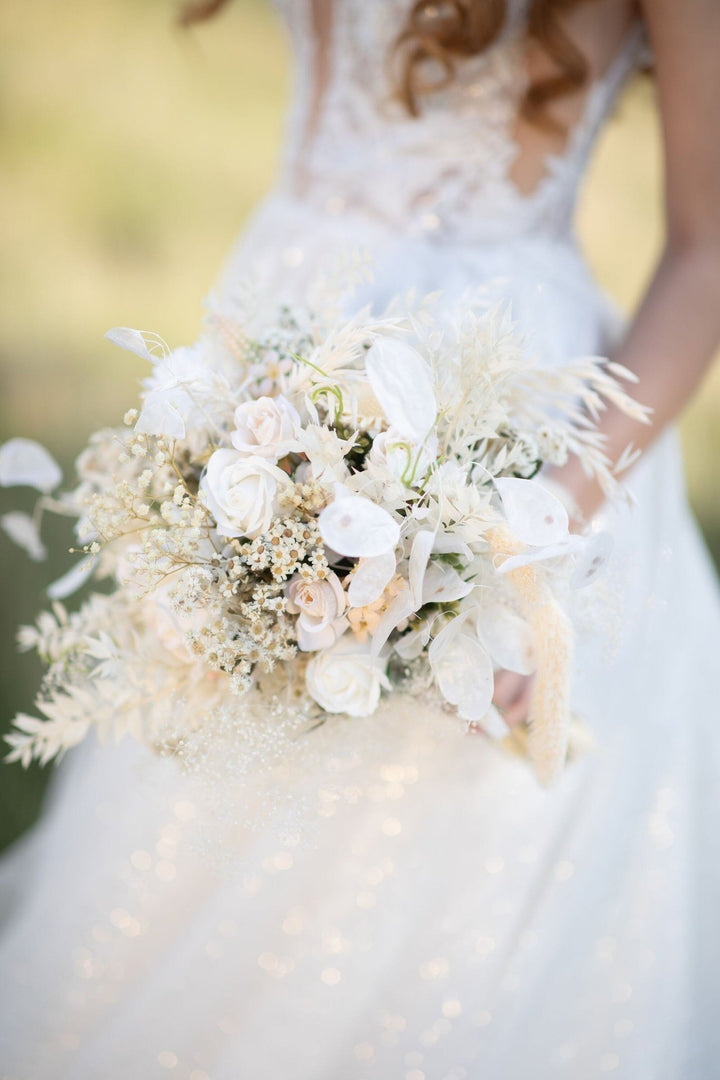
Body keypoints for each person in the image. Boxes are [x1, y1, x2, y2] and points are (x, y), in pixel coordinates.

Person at [1, 1, 719, 1076]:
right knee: (193, 792)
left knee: (432, 855)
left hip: (499, 404)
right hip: (273, 334)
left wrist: (549, 516)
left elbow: (711, 245)